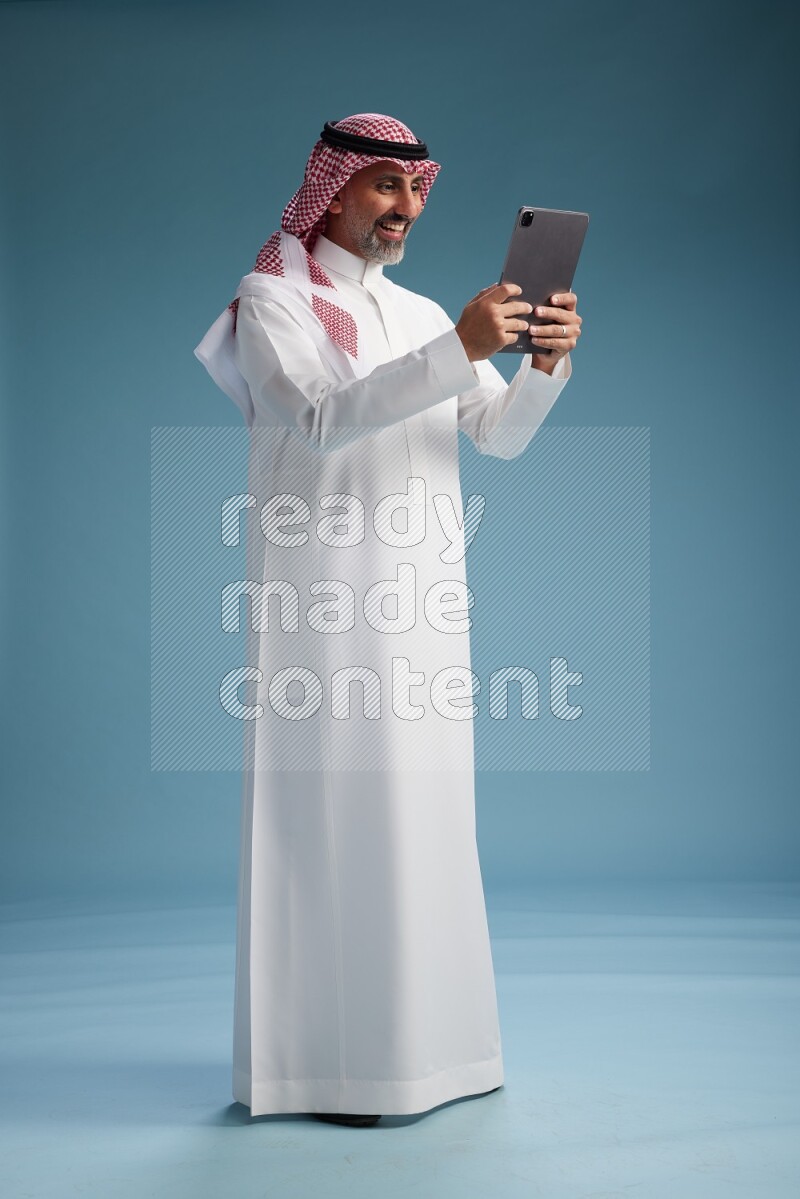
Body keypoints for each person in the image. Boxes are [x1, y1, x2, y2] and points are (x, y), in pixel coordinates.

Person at [194, 113, 582, 1128]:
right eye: (381, 188)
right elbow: (319, 419)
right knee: (329, 820)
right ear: (329, 190)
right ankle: (329, 1068)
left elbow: (495, 437)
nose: (403, 209)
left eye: (414, 192)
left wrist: (540, 362)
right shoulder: (269, 299)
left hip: (420, 605)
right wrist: (461, 342)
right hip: (320, 608)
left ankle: (435, 1056)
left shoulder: (417, 313)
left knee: (422, 819)